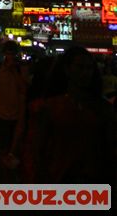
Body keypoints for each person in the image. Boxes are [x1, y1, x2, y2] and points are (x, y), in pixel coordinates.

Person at [28, 46, 116, 184]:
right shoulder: (50, 107)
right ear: (67, 69)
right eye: (80, 67)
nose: (85, 72)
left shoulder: (103, 108)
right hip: (59, 179)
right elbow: (38, 150)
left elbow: (110, 149)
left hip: (93, 180)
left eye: (89, 68)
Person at [0, 41, 27, 178]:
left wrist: (14, 71)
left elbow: (24, 90)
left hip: (18, 117)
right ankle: (6, 177)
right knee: (3, 150)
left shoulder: (22, 70)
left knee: (17, 151)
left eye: (13, 54)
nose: (10, 57)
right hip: (1, 116)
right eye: (8, 54)